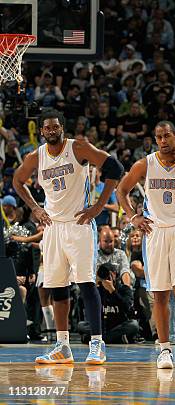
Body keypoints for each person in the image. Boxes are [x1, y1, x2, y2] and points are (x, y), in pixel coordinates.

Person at [12, 109, 124, 365]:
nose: (52, 131)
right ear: (41, 131)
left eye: (56, 127)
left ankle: (97, 344)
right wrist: (34, 207)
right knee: (57, 287)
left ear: (62, 128)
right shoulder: (36, 157)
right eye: (47, 128)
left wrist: (98, 207)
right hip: (52, 227)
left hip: (79, 224)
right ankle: (63, 346)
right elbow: (18, 181)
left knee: (85, 284)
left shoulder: (78, 148)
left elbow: (114, 168)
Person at [117, 121, 175, 369]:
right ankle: (164, 349)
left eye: (167, 136)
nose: (163, 141)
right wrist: (133, 217)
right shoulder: (145, 163)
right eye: (159, 137)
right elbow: (121, 190)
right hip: (154, 231)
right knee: (160, 294)